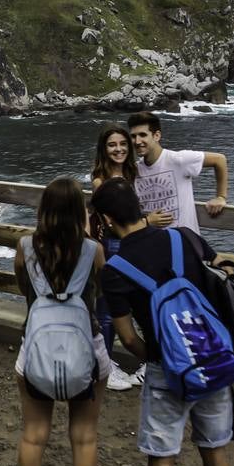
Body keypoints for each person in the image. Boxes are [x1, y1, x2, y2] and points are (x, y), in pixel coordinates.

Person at [91, 177, 234, 466]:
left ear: (105, 219)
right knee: (215, 449)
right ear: (138, 207)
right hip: (211, 358)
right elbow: (224, 272)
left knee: (163, 458)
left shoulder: (116, 270)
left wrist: (158, 354)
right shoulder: (184, 238)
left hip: (165, 368)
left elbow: (127, 337)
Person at [14, 177, 109, 466]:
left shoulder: (24, 247)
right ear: (79, 212)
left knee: (34, 434)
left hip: (35, 347)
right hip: (86, 347)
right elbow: (99, 292)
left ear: (43, 210)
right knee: (84, 436)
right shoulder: (93, 250)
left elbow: (26, 291)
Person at [90, 123, 143, 391]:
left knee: (135, 301)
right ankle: (105, 365)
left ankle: (122, 361)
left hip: (133, 244)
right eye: (112, 144)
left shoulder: (133, 172)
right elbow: (112, 221)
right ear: (104, 148)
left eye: (123, 144)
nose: (118, 149)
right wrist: (147, 220)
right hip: (112, 245)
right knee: (108, 307)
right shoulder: (101, 180)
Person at [128, 112, 229, 233]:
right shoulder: (134, 170)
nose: (137, 141)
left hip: (184, 243)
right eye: (133, 136)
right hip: (153, 243)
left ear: (156, 136)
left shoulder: (179, 160)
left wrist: (221, 197)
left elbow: (219, 160)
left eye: (143, 135)